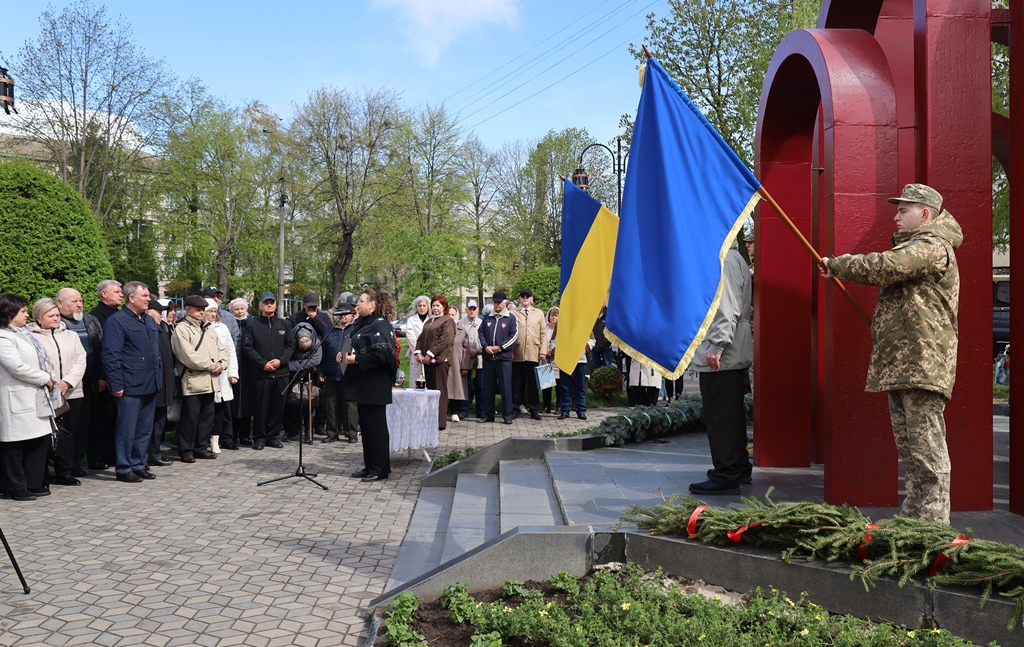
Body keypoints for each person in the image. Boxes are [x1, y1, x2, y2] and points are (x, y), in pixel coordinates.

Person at [821, 183, 961, 524]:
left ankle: (933, 530)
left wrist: (838, 265)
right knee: (912, 455)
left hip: (921, 365)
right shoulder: (919, 246)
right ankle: (914, 524)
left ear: (924, 214)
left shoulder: (932, 247)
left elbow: (886, 266)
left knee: (926, 453)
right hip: (906, 365)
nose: (895, 217)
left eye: (903, 210)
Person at [688, 241, 754, 496]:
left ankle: (725, 474)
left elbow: (725, 307)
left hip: (724, 351)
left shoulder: (722, 259)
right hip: (733, 348)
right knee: (732, 414)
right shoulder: (733, 256)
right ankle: (737, 466)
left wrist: (716, 345)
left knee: (720, 416)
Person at [101, 281, 163, 483]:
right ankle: (124, 467)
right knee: (126, 429)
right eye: (144, 296)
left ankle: (139, 464)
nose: (148, 299)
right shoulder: (117, 321)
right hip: (130, 385)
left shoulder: (147, 320)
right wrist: (116, 384)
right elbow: (111, 355)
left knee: (145, 429)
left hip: (149, 383)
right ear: (131, 298)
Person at [0, 294, 57, 501]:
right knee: (15, 445)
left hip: (35, 398)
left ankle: (33, 482)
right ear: (8, 313)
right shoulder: (3, 337)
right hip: (16, 398)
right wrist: (45, 378)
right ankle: (14, 486)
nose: (26, 314)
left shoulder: (23, 333)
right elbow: (17, 367)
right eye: (23, 311)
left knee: (38, 441)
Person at [27, 298, 87, 486]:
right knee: (45, 435)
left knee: (69, 433)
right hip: (45, 392)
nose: (55, 319)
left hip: (72, 392)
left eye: (57, 315)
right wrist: (50, 382)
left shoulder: (71, 335)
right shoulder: (30, 337)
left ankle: (65, 471)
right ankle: (44, 471)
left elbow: (81, 359)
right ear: (38, 318)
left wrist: (68, 382)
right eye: (50, 315)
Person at [343, 289, 398, 482]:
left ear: (372, 304)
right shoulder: (363, 323)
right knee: (366, 427)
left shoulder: (380, 325)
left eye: (362, 301)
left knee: (376, 427)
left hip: (376, 383)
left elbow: (383, 354)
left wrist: (356, 359)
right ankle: (370, 465)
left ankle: (381, 469)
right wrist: (344, 356)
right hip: (364, 383)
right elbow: (355, 345)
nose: (358, 305)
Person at [172, 295, 229, 463]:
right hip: (193, 381)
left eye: (203, 310)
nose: (201, 313)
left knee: (207, 418)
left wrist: (222, 364)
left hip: (211, 381)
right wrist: (213, 366)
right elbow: (188, 356)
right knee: (190, 418)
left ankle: (201, 447)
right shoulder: (181, 329)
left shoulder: (209, 329)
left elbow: (223, 350)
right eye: (198, 310)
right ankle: (186, 450)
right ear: (188, 310)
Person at [56, 287, 101, 477]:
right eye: (74, 301)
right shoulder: (54, 324)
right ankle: (64, 464)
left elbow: (100, 350)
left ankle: (77, 461)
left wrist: (102, 375)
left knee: (84, 424)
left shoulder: (90, 320)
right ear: (59, 303)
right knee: (68, 426)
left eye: (80, 300)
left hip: (89, 382)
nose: (79, 304)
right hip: (66, 385)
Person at [241, 292, 294, 450]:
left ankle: (273, 436)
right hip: (260, 374)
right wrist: (262, 364)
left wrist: (280, 361)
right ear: (260, 305)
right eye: (266, 302)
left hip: (281, 373)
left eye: (272, 302)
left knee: (277, 407)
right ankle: (259, 437)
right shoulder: (253, 325)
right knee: (260, 407)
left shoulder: (285, 325)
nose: (269, 305)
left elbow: (290, 345)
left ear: (276, 305)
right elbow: (247, 348)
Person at [88, 279, 123, 471]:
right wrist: (102, 376)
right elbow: (102, 348)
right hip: (103, 375)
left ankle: (111, 453)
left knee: (113, 417)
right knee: (101, 418)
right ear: (104, 294)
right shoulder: (96, 317)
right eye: (117, 292)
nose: (121, 295)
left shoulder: (116, 314)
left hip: (116, 373)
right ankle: (96, 457)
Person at [415, 295, 455, 431]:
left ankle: (440, 422)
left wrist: (430, 354)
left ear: (444, 307)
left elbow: (444, 340)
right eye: (433, 305)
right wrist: (418, 352)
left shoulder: (447, 321)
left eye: (438, 305)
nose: (435, 308)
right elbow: (420, 338)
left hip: (440, 361)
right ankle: (431, 419)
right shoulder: (429, 321)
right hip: (428, 361)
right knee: (431, 391)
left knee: (439, 390)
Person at [477, 291, 518, 425]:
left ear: (505, 303)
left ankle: (507, 415)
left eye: (499, 302)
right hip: (489, 358)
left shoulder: (511, 318)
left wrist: (500, 348)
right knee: (488, 388)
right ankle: (489, 414)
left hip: (503, 359)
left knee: (506, 387)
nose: (497, 305)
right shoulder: (488, 318)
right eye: (495, 302)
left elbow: (514, 337)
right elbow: (480, 332)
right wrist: (485, 346)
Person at [205, 299, 239, 451]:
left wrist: (233, 372)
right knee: (207, 409)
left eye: (214, 311)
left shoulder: (223, 327)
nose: (213, 314)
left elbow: (230, 350)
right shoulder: (199, 327)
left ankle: (215, 439)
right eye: (209, 311)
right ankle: (203, 439)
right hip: (205, 374)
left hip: (222, 373)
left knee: (220, 409)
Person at [321, 298, 357, 443]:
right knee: (331, 403)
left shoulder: (356, 330)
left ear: (352, 314)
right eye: (340, 314)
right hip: (332, 371)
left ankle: (351, 433)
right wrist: (321, 371)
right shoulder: (328, 331)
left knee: (349, 404)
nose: (343, 317)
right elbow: (322, 352)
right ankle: (332, 432)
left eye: (346, 314)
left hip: (350, 372)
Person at [146, 299, 175, 467]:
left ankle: (155, 452)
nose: (162, 315)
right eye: (158, 312)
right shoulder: (148, 330)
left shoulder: (162, 329)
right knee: (150, 424)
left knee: (159, 423)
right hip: (152, 385)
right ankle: (148, 453)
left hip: (164, 384)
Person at [510, 289, 546, 420]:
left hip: (534, 353)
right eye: (522, 296)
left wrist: (542, 351)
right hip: (518, 352)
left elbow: (543, 334)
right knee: (517, 382)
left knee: (533, 383)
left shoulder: (539, 313)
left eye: (527, 296)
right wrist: (510, 351)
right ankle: (515, 408)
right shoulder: (513, 313)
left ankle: (534, 409)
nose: (525, 298)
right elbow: (510, 333)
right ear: (520, 299)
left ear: (532, 299)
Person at [284, 322, 322, 442]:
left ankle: (308, 432)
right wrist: (303, 364)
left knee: (309, 403)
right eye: (301, 348)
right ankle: (290, 431)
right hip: (291, 377)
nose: (304, 350)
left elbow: (315, 361)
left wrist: (296, 365)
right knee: (290, 403)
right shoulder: (290, 341)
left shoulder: (317, 343)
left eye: (306, 348)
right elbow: (286, 362)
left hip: (310, 376)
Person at [550, 323, 592, 420]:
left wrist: (586, 346)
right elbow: (553, 340)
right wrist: (555, 349)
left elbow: (592, 339)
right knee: (564, 386)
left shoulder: (583, 321)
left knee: (580, 386)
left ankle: (581, 410)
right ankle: (565, 410)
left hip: (580, 359)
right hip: (565, 359)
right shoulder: (561, 322)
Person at [228, 297, 255, 446]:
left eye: (241, 309)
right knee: (232, 403)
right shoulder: (228, 323)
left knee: (246, 403)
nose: (239, 312)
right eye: (236, 309)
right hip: (232, 367)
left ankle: (245, 434)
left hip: (248, 368)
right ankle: (232, 435)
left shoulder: (251, 323)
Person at [457, 299, 484, 420]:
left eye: (474, 309)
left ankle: (481, 410)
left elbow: (486, 340)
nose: (472, 311)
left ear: (477, 310)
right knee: (465, 385)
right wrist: (467, 351)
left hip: (480, 358)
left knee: (480, 385)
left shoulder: (483, 323)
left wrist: (477, 349)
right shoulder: (460, 323)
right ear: (466, 310)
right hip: (464, 359)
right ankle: (463, 410)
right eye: (470, 309)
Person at [446, 306, 470, 423]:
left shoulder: (462, 330)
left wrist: (465, 366)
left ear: (456, 316)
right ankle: (443, 411)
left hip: (457, 363)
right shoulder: (441, 328)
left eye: (452, 315)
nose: (450, 317)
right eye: (448, 314)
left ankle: (455, 412)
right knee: (444, 387)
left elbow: (466, 349)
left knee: (456, 387)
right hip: (443, 362)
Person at [405, 295, 430, 387]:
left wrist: (429, 353)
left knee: (429, 382)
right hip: (416, 354)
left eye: (424, 305)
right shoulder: (411, 320)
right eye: (420, 306)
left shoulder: (432, 319)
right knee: (415, 382)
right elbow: (411, 337)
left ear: (428, 307)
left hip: (429, 354)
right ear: (416, 307)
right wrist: (418, 352)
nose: (422, 308)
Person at [541, 307, 559, 414]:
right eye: (552, 315)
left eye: (556, 315)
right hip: (545, 357)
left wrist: (552, 351)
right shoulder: (544, 327)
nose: (554, 317)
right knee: (546, 383)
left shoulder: (561, 327)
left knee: (558, 383)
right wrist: (545, 350)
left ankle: (559, 406)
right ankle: (546, 405)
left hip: (557, 358)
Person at [591, 306, 612, 371]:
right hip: (595, 345)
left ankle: (609, 381)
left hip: (606, 346)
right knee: (596, 367)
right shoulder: (592, 314)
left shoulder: (608, 314)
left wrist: (608, 341)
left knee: (607, 366)